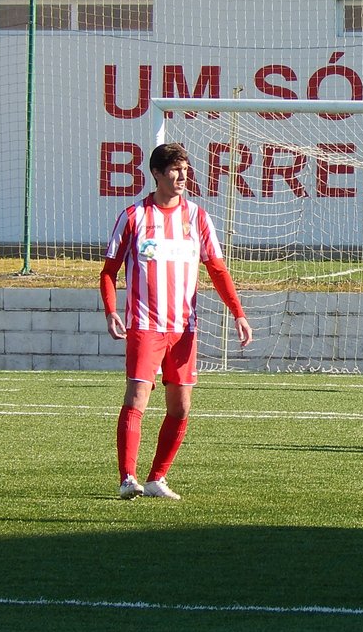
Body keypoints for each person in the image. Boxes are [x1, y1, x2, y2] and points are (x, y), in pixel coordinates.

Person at [100, 142, 253, 500]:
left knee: (181, 406)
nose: (183, 176)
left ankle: (157, 478)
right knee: (137, 397)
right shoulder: (133, 216)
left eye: (185, 170)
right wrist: (111, 310)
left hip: (184, 329)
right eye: (175, 170)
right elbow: (108, 272)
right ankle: (127, 478)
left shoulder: (197, 217)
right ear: (156, 173)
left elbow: (217, 269)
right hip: (145, 325)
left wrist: (238, 313)